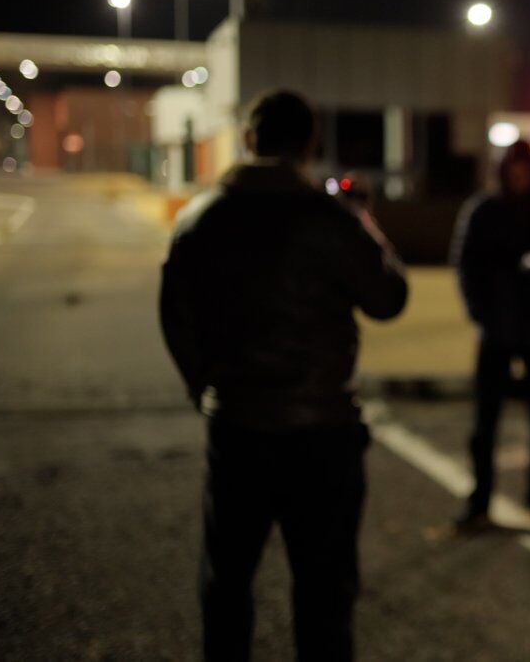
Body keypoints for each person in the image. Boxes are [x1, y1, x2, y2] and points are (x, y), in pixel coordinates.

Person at [159, 89, 408, 661]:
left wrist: (205, 386)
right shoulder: (328, 217)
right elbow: (388, 297)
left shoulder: (201, 215)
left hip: (238, 426)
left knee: (227, 581)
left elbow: (175, 314)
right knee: (323, 590)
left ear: (249, 140)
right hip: (321, 430)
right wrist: (364, 217)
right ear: (310, 142)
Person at [449, 141, 530, 537]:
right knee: (485, 423)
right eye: (512, 167)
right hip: (496, 331)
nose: (519, 174)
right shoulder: (484, 211)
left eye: (525, 168)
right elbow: (465, 266)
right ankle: (479, 500)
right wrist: (481, 316)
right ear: (503, 169)